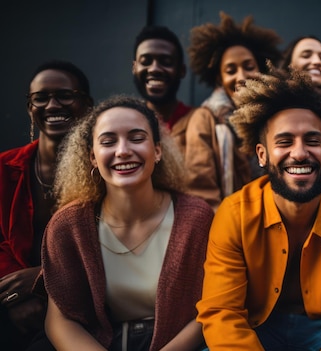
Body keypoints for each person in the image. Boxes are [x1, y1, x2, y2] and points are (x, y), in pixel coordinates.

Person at [196, 68, 321, 350]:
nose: (299, 153)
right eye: (284, 142)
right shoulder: (233, 214)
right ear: (262, 154)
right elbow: (222, 314)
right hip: (257, 330)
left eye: (312, 140)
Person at [37, 96, 214, 350]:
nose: (122, 150)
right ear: (93, 158)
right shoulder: (69, 226)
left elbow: (209, 308)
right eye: (108, 142)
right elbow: (60, 319)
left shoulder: (196, 218)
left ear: (158, 150)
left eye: (137, 137)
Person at [0, 60, 93, 350]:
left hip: (79, 309)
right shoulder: (4, 168)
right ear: (30, 108)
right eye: (40, 98)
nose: (52, 105)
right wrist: (12, 300)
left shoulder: (103, 173)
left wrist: (45, 281)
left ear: (87, 105)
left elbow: (111, 250)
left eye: (65, 95)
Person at [186, 11, 282, 210]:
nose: (241, 76)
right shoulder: (206, 119)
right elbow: (202, 192)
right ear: (220, 79)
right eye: (230, 70)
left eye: (249, 66)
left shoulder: (277, 118)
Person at [132, 25, 193, 153]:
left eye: (166, 62)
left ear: (181, 70)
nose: (154, 69)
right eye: (145, 61)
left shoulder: (199, 121)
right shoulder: (127, 124)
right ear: (134, 68)